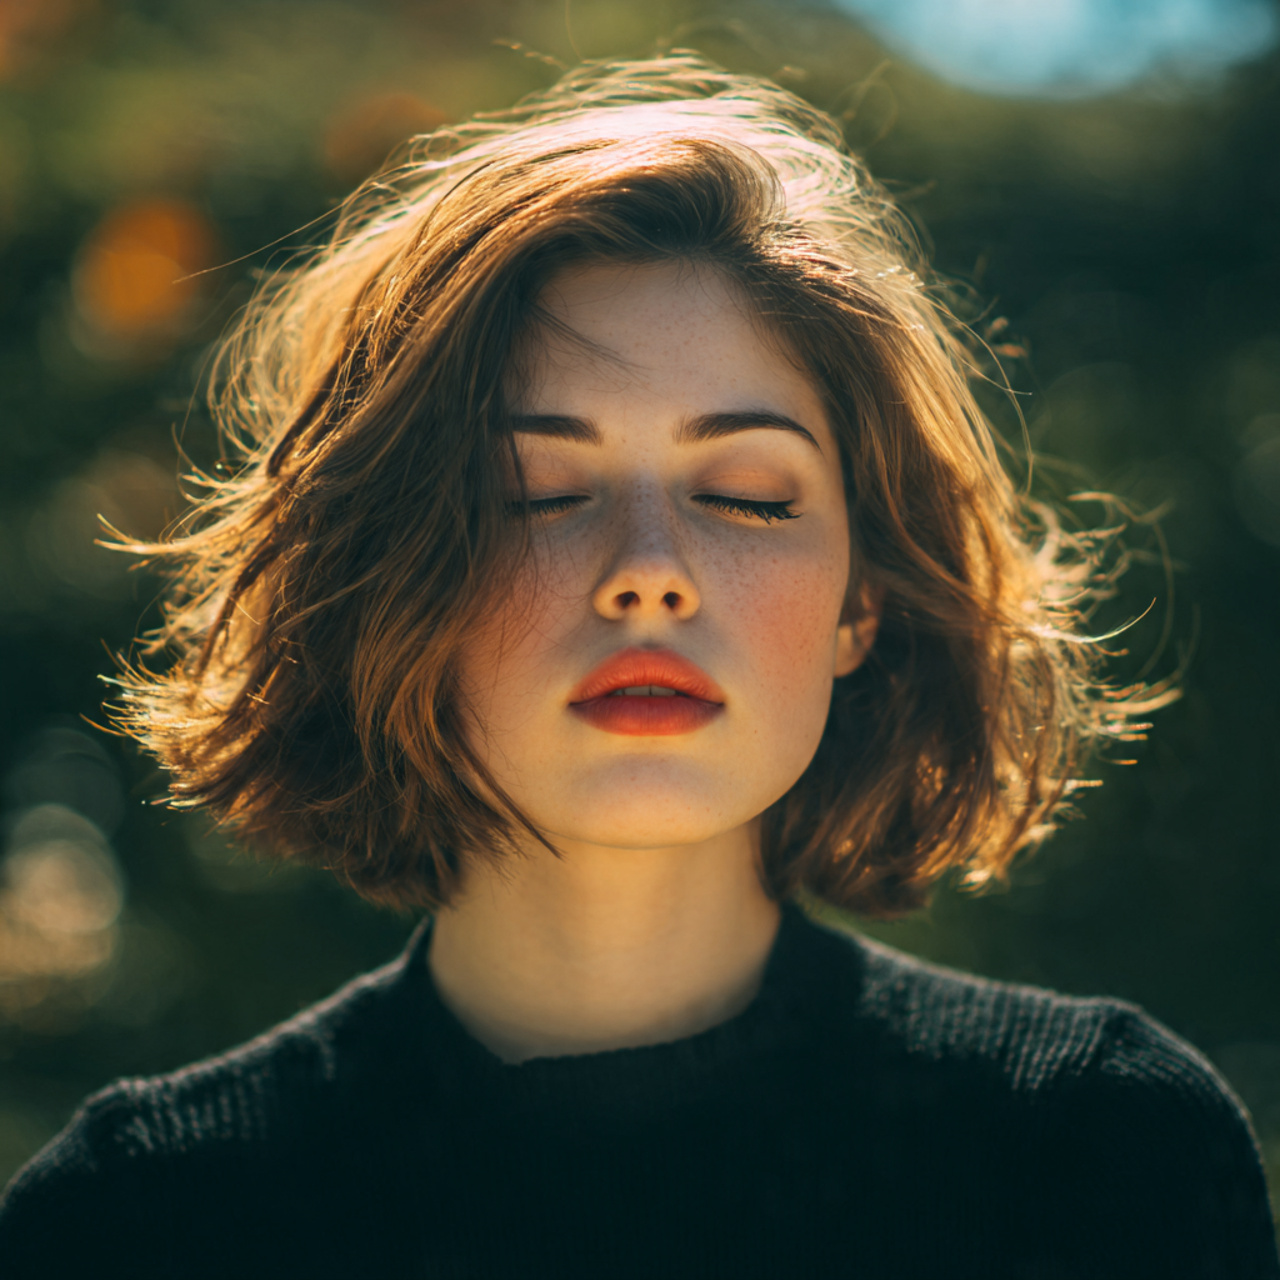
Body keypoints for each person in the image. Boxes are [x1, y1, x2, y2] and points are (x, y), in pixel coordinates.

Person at [1, 53, 1275, 1279]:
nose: (648, 570)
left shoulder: (1100, 1151)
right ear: (389, 576)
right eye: (539, 489)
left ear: (861, 603)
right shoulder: (138, 1221)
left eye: (743, 493)